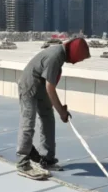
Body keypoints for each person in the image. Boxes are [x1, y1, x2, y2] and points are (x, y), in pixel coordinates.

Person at [16, 37, 91, 180]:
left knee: (48, 119)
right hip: (29, 87)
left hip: (40, 86)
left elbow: (48, 86)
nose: (76, 63)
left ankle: (47, 159)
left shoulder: (59, 54)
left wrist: (60, 109)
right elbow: (50, 88)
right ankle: (22, 163)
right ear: (75, 54)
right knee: (28, 123)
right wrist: (61, 111)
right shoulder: (55, 56)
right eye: (79, 59)